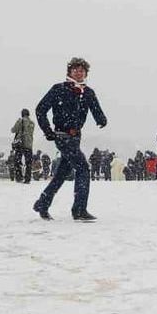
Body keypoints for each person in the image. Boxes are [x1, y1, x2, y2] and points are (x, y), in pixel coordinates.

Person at [33, 57, 107, 221]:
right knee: (83, 168)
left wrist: (101, 119)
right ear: (69, 72)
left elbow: (96, 108)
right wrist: (48, 131)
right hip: (62, 136)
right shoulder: (58, 89)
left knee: (61, 174)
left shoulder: (87, 92)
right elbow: (40, 110)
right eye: (75, 70)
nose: (79, 73)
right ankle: (79, 209)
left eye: (82, 70)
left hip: (75, 137)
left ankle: (42, 203)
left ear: (85, 73)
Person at [11, 109, 37, 184]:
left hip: (21, 144)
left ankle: (19, 177)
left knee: (17, 161)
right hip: (29, 144)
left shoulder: (20, 121)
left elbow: (13, 130)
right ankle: (27, 178)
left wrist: (18, 123)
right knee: (28, 162)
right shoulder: (32, 123)